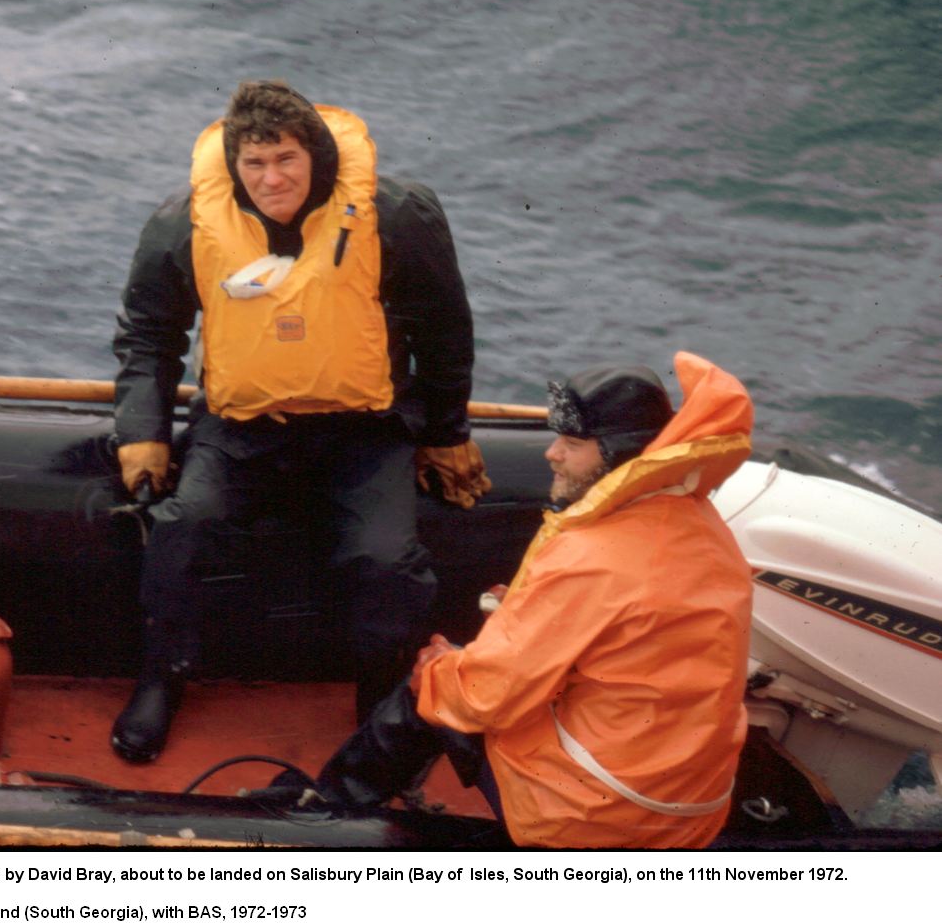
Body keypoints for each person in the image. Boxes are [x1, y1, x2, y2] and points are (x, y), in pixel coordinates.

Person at [109, 79, 488, 762]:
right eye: (253, 164)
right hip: (239, 427)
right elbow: (147, 334)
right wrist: (143, 430)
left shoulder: (395, 215)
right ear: (232, 165)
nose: (270, 178)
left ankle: (380, 708)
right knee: (182, 526)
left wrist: (445, 432)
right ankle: (161, 678)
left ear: (314, 153)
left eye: (284, 159)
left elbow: (444, 330)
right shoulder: (185, 221)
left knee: (383, 560)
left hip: (365, 432)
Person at [306, 353, 756, 849]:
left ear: (620, 454)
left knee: (430, 686)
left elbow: (485, 697)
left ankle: (317, 815)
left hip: (597, 818)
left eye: (573, 443)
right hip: (686, 810)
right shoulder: (704, 526)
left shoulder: (589, 558)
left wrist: (438, 670)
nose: (552, 454)